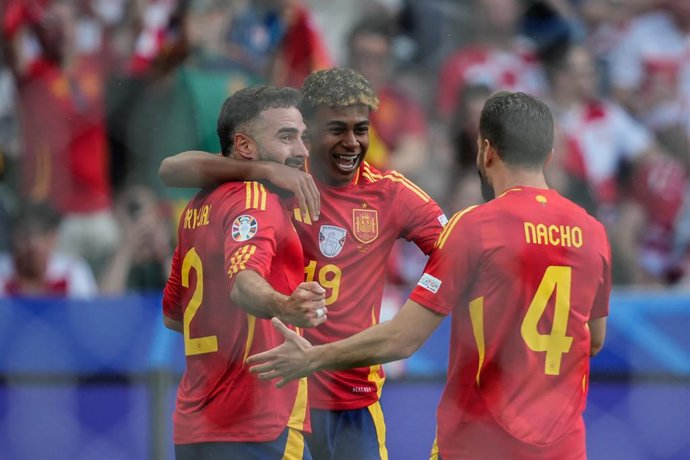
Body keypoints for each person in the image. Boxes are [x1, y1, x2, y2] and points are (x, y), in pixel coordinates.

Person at [248, 91, 612, 460]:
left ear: (486, 150)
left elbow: (403, 339)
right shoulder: (592, 232)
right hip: (563, 447)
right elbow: (593, 340)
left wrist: (312, 358)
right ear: (548, 156)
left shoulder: (476, 226)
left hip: (478, 442)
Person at [159, 67, 447, 459]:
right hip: (279, 391)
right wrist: (261, 169)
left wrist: (420, 310)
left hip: (349, 395)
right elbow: (173, 169)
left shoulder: (390, 194)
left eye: (360, 130)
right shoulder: (280, 177)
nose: (351, 143)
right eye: (336, 130)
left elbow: (455, 251)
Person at [162, 85, 327, 460]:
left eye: (303, 137)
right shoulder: (255, 199)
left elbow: (174, 316)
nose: (301, 150)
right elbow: (243, 283)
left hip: (196, 427)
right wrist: (283, 305)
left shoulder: (197, 206)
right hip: (259, 421)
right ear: (246, 146)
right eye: (287, 137)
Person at [0, 202, 97, 297]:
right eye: (24, 237)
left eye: (41, 237)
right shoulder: (2, 271)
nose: (31, 245)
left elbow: (87, 311)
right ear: (13, 237)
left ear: (53, 238)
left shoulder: (73, 272)